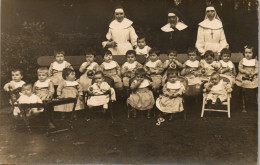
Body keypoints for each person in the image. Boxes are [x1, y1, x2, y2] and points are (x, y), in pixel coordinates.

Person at [235, 45, 258, 112]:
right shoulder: (242, 60)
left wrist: (254, 73)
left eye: (249, 53)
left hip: (253, 76)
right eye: (246, 53)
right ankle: (243, 104)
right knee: (243, 83)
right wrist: (244, 71)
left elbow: (257, 68)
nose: (247, 55)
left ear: (253, 53)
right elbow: (240, 68)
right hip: (244, 75)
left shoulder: (255, 61)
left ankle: (256, 103)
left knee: (256, 83)